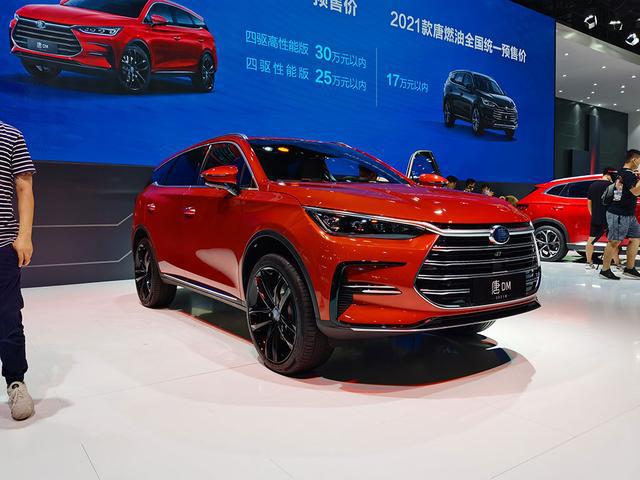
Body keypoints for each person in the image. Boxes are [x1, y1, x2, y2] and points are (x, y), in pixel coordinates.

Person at [0, 122, 36, 420]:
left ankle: (15, 381)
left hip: (2, 243)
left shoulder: (11, 135)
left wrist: (24, 236)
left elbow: (24, 187)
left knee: (8, 316)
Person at [600, 150, 640, 280]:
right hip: (619, 214)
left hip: (628, 214)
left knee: (636, 238)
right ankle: (605, 270)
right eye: (639, 160)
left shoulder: (621, 172)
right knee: (614, 241)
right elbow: (636, 192)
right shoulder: (628, 174)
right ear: (634, 159)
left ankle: (629, 268)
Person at [586, 168, 620, 270]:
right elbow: (617, 202)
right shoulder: (613, 186)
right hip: (610, 217)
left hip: (596, 217)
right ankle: (617, 264)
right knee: (613, 241)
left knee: (591, 240)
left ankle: (588, 262)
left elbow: (589, 202)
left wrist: (593, 214)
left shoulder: (593, 185)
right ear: (609, 175)